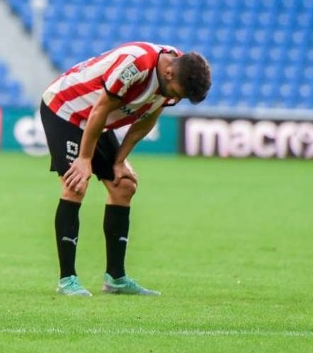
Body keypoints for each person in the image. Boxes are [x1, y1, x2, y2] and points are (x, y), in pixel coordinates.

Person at [39, 42, 211, 296]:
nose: (175, 98)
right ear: (168, 74)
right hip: (66, 110)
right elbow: (100, 108)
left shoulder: (174, 74)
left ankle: (115, 279)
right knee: (76, 184)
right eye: (177, 93)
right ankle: (67, 279)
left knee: (124, 186)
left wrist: (119, 161)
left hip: (97, 121)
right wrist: (85, 158)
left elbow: (147, 119)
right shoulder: (135, 65)